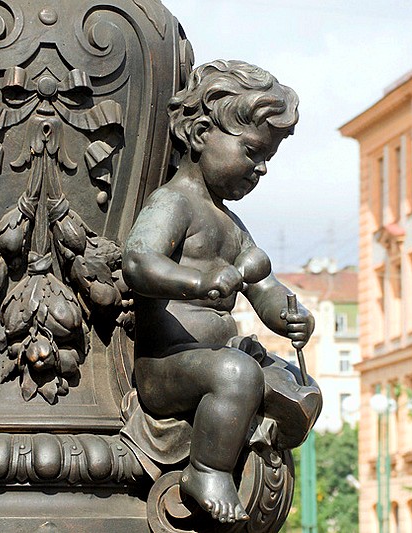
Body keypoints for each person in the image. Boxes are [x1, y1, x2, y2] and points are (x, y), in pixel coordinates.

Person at [122, 60, 314, 524]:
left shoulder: (232, 225)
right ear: (202, 132)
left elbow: (263, 285)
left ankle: (264, 420)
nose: (261, 168)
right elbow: (138, 261)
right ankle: (207, 469)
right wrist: (199, 282)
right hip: (167, 365)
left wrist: (289, 313)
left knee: (289, 381)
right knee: (236, 374)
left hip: (222, 357)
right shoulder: (173, 202)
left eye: (267, 156)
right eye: (252, 151)